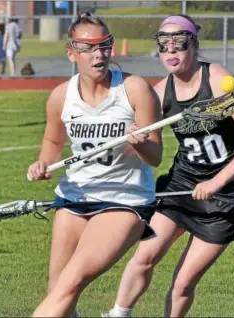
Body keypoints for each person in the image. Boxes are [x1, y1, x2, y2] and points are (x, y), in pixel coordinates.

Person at [103, 14, 234, 317]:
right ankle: (118, 314)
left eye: (179, 44)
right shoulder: (159, 92)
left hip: (228, 195)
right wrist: (135, 140)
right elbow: (149, 149)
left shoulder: (219, 81)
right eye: (164, 45)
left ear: (194, 45)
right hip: (182, 185)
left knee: (182, 283)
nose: (171, 51)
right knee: (145, 255)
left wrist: (215, 184)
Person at [27, 12, 163, 318]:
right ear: (71, 52)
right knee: (59, 294)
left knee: (70, 282)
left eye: (104, 45)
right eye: (88, 48)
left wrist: (141, 143)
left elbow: (156, 156)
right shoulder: (61, 96)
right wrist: (44, 164)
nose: (98, 54)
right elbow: (52, 143)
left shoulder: (134, 89)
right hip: (74, 198)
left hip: (123, 199)